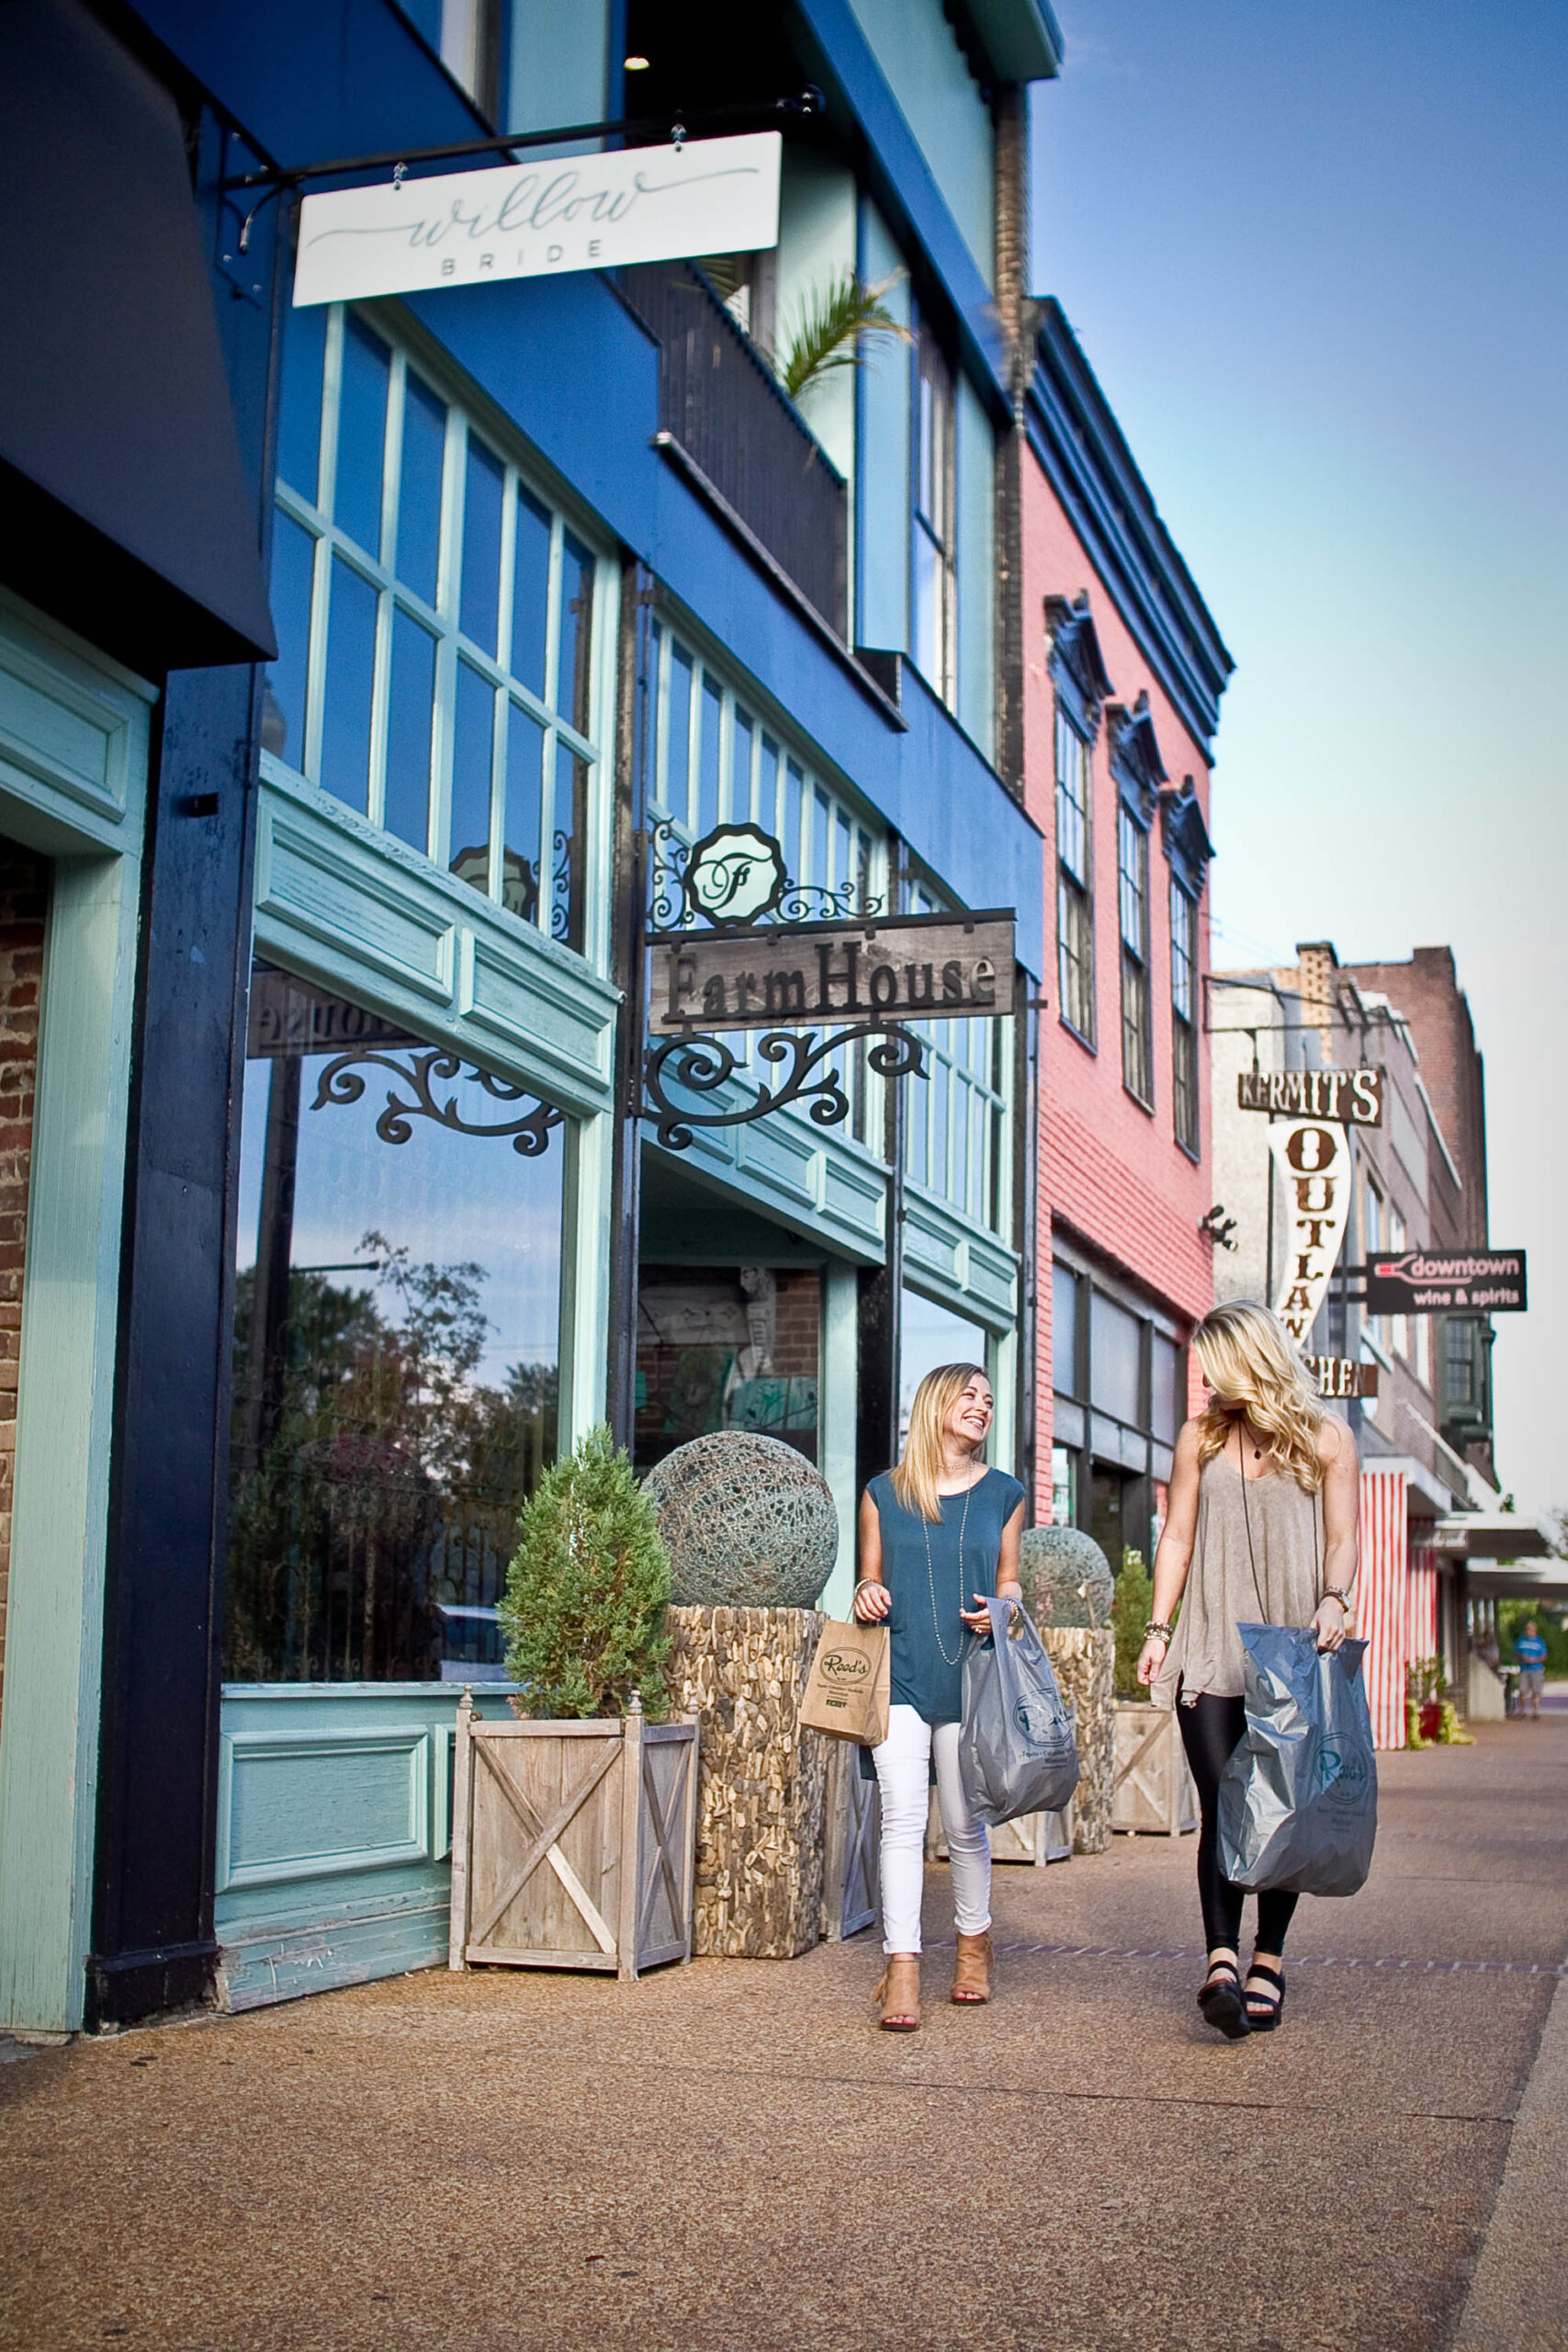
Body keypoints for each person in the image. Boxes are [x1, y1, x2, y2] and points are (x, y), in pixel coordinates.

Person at [1136, 1300, 1360, 2038]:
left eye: (1212, 1363)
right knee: (1225, 1805)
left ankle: (1268, 1956)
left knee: (1280, 1807)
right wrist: (1157, 1629)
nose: (1204, 1377)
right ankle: (1220, 1960)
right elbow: (1176, 1536)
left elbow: (1341, 1539)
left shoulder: (1325, 1438)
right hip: (1208, 1647)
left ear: (1247, 1359)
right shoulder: (1199, 1437)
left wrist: (1334, 1599)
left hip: (1290, 1652)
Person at [852, 1362, 1025, 2030]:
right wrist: (866, 1591)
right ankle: (901, 1968)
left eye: (989, 1398)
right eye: (969, 1395)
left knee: (961, 1823)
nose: (982, 1405)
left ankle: (973, 1947)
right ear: (935, 1405)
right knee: (900, 1822)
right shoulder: (882, 1493)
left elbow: (1009, 1581)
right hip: (898, 1674)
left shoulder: (1005, 1494)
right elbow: (869, 1580)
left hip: (970, 1679)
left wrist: (1004, 1610)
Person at [1514, 1621, 1548, 1719]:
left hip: (1536, 1669)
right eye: (1528, 1629)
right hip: (1524, 1669)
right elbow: (1516, 1652)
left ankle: (1535, 1712)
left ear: (1535, 1631)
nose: (1529, 1631)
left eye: (1532, 1630)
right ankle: (1522, 1711)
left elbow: (1544, 1655)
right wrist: (1522, 1657)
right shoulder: (1521, 1641)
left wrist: (1535, 1660)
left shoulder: (1539, 1642)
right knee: (1522, 1691)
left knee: (1536, 1692)